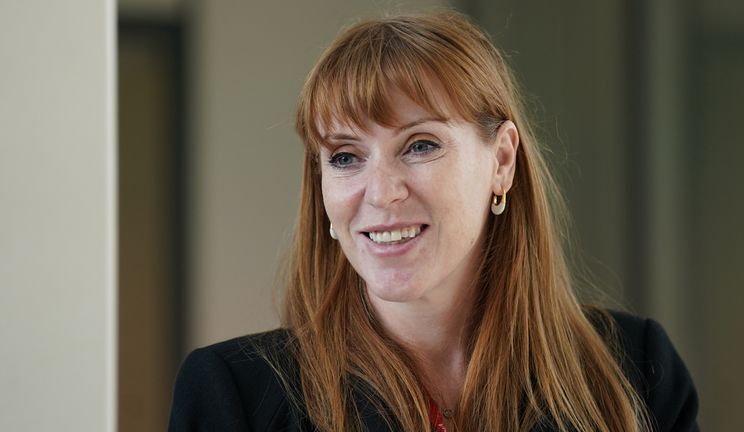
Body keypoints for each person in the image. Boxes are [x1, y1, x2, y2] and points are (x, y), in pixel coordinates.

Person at [169, 11, 698, 432]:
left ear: (502, 161)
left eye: (420, 145)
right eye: (346, 157)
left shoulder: (638, 371)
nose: (380, 192)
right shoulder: (232, 395)